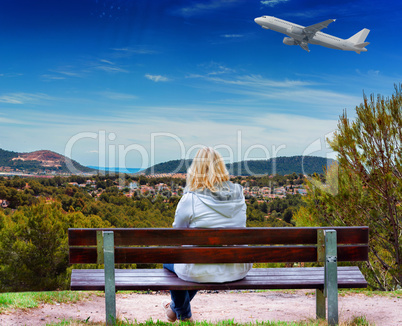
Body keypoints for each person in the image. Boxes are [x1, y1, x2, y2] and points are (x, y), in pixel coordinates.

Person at [163, 147, 252, 322]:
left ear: (195, 170)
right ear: (221, 168)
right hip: (236, 268)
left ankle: (181, 312)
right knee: (198, 258)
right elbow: (241, 226)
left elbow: (177, 236)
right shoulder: (239, 194)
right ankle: (177, 309)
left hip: (199, 269)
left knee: (169, 255)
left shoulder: (190, 199)